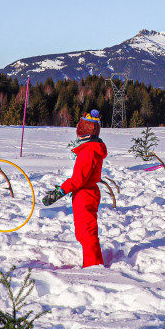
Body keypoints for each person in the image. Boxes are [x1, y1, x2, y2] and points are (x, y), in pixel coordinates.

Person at [42, 110, 107, 268]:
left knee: (87, 233)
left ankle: (93, 266)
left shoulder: (88, 151)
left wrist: (60, 192)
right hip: (85, 193)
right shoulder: (91, 149)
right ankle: (91, 262)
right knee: (83, 232)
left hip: (85, 194)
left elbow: (78, 179)